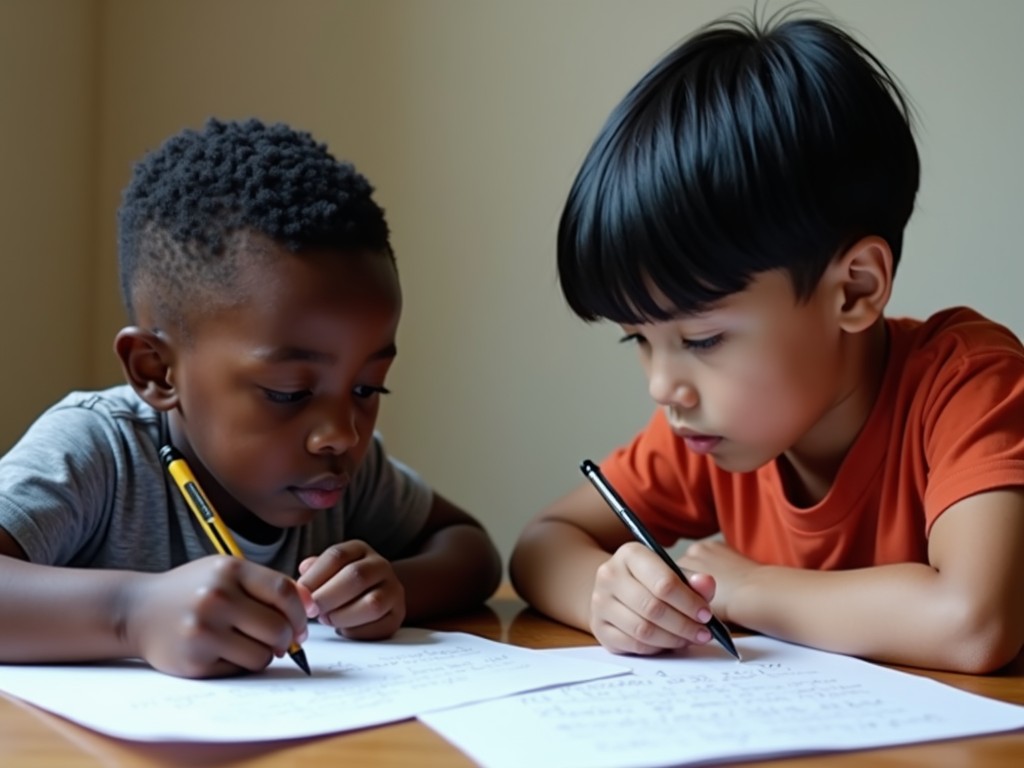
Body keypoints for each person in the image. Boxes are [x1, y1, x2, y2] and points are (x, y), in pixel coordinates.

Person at [510, 10, 1024, 674]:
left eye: (703, 338)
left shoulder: (969, 385)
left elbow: (974, 621)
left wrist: (746, 586)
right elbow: (541, 545)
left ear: (854, 291)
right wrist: (611, 598)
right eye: (640, 338)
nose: (662, 386)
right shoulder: (706, 434)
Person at [0, 118, 502, 678]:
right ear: (157, 371)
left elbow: (471, 550)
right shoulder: (97, 451)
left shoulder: (344, 476)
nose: (342, 432)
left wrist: (390, 588)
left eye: (367, 388)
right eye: (288, 392)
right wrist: (132, 614)